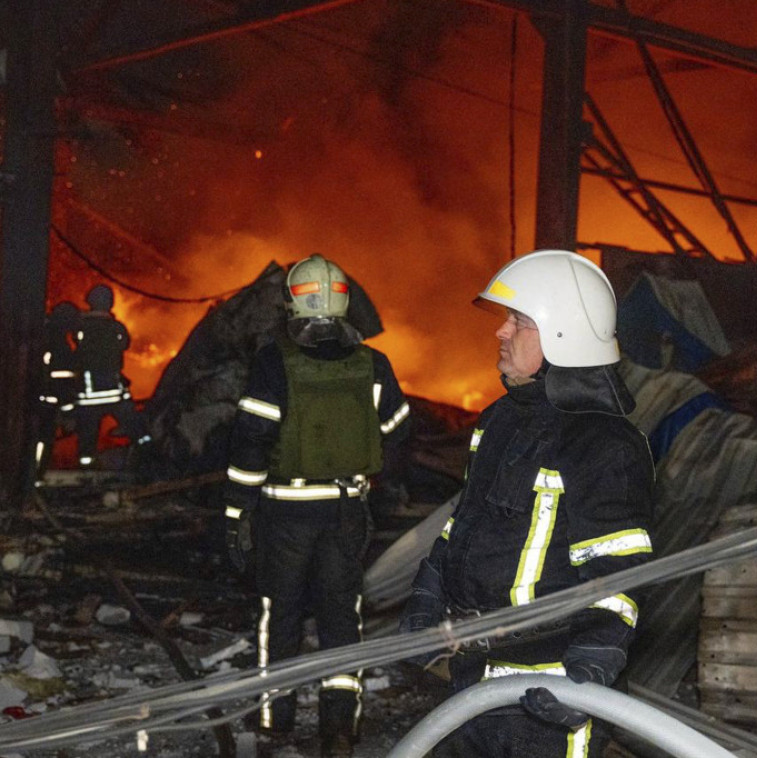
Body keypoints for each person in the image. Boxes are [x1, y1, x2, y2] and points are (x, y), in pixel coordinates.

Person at [400, 249, 655, 757]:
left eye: (518, 321)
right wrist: (431, 590)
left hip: (549, 696)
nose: (501, 332)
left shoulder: (603, 444)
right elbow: (463, 524)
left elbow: (621, 575)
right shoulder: (499, 421)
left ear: (564, 333)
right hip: (474, 678)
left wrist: (587, 675)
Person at [222, 254, 410, 758]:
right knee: (341, 619)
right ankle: (339, 730)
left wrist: (236, 512)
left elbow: (251, 441)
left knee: (279, 613)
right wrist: (379, 486)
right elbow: (396, 433)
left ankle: (275, 722)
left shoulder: (272, 362)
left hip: (285, 511)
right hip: (347, 510)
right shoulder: (374, 363)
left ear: (292, 304)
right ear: (345, 301)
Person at [71, 284, 140, 468]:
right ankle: (145, 457)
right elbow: (125, 344)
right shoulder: (117, 328)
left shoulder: (81, 326)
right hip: (114, 391)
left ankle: (85, 470)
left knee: (87, 438)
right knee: (136, 427)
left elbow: (76, 341)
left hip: (88, 394)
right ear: (110, 304)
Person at [35, 301, 81, 479]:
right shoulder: (58, 343)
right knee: (42, 439)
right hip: (45, 403)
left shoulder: (43, 333)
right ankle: (34, 477)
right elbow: (62, 380)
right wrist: (68, 416)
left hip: (36, 400)